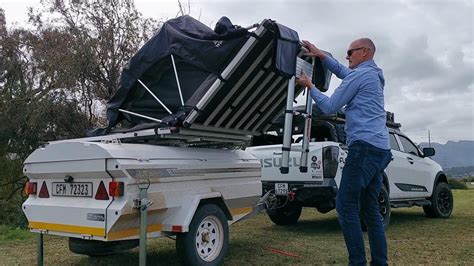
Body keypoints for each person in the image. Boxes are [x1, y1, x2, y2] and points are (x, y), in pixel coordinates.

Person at [296, 38, 392, 266]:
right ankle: (380, 263)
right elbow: (341, 70)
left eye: (350, 52)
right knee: (370, 210)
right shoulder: (372, 75)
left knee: (345, 205)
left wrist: (310, 87)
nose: (347, 56)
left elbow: (330, 106)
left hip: (364, 149)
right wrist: (320, 55)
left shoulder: (360, 76)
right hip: (381, 150)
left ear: (365, 52)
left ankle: (357, 262)